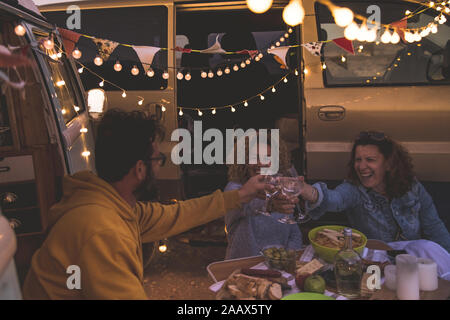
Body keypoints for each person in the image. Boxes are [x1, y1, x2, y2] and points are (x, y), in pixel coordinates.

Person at [22, 109, 267, 299]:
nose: (161, 165)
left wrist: (242, 194)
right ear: (140, 169)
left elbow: (176, 214)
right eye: (158, 159)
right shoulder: (102, 230)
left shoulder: (112, 204)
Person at [299, 131, 450, 252]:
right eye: (358, 160)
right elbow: (334, 199)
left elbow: (434, 227)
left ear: (389, 164)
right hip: (374, 266)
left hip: (412, 263)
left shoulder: (413, 187)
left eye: (370, 160)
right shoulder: (354, 189)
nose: (362, 166)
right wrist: (306, 190)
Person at [224, 136, 303, 259]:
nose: (261, 163)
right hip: (245, 266)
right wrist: (273, 203)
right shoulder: (234, 189)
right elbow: (251, 204)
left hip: (279, 266)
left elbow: (294, 231)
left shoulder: (281, 186)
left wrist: (290, 256)